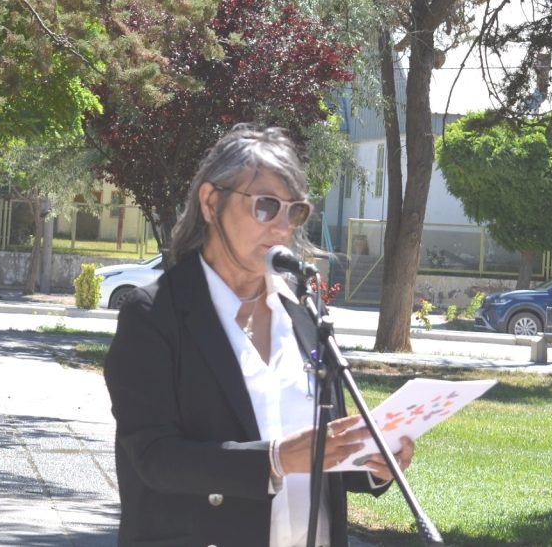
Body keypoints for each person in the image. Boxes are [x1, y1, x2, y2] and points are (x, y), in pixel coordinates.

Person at [104, 124, 414, 547]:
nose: (282, 227)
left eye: (295, 211)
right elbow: (153, 457)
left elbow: (322, 451)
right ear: (211, 202)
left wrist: (374, 462)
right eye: (265, 206)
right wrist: (273, 460)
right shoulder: (153, 314)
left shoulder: (303, 309)